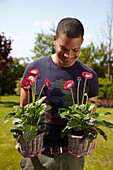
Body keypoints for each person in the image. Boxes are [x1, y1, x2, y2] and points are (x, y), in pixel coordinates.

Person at [19, 17, 99, 170]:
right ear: (55, 39)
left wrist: (90, 138)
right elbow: (23, 109)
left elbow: (91, 116)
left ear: (82, 41)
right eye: (63, 48)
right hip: (36, 155)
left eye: (75, 50)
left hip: (71, 158)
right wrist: (20, 139)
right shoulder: (34, 69)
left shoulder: (89, 75)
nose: (68, 55)